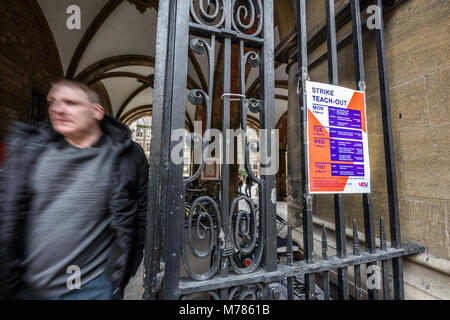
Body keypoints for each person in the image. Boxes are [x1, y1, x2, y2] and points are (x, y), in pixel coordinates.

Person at [0, 79, 148, 300]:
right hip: (27, 287)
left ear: (97, 111)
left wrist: (118, 276)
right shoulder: (28, 149)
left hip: (90, 287)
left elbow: (139, 217)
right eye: (52, 102)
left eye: (70, 103)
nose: (57, 109)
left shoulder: (127, 156)